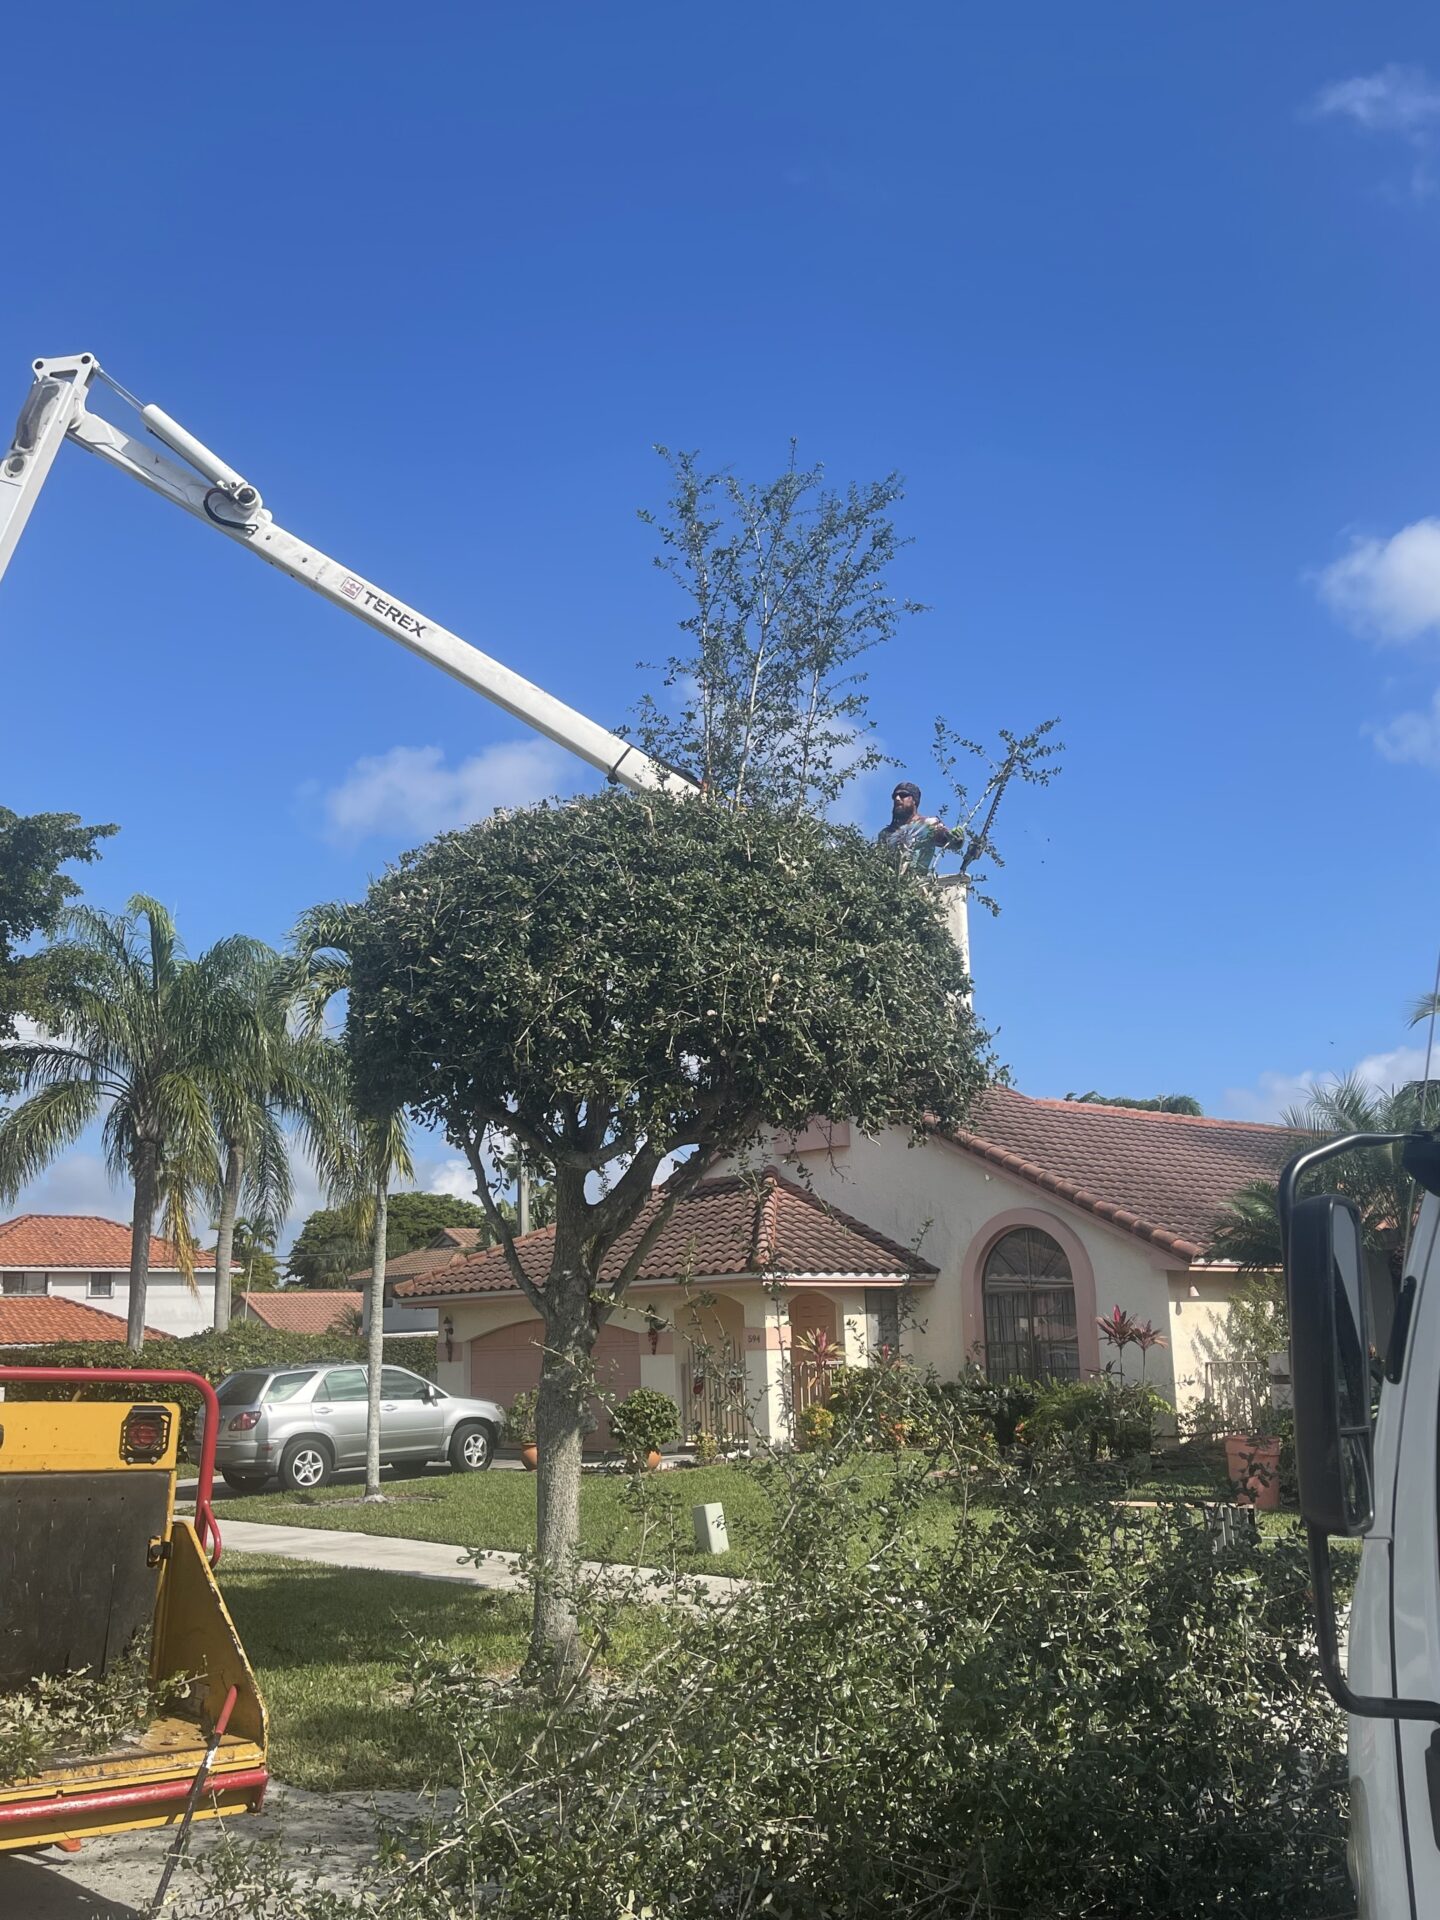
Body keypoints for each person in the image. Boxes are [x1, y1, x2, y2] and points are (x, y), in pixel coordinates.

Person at [877, 781, 955, 874]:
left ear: (914, 800)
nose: (897, 799)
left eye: (903, 795)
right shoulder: (886, 833)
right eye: (895, 796)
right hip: (889, 884)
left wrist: (955, 837)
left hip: (916, 883)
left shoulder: (928, 824)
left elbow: (951, 841)